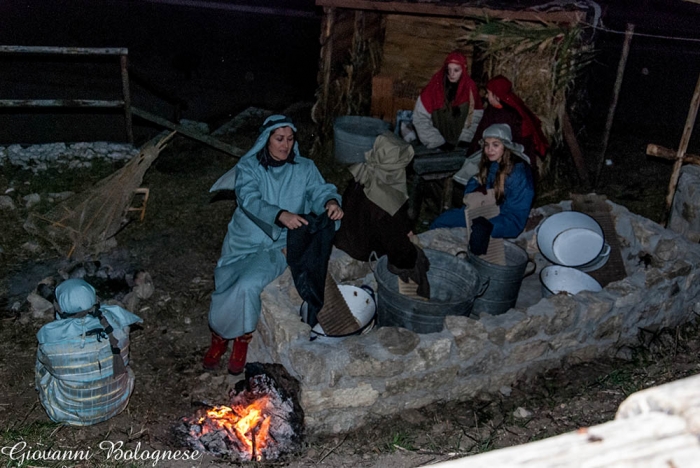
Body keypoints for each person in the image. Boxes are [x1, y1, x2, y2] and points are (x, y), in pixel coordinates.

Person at [205, 114, 343, 374]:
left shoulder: (304, 167)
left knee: (248, 284)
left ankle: (242, 339)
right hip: (243, 241)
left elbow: (319, 191)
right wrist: (280, 214)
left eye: (290, 139)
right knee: (226, 280)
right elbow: (249, 198)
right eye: (279, 139)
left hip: (279, 244)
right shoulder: (249, 168)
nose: (285, 145)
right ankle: (219, 336)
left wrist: (330, 203)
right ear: (265, 140)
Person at [334, 131, 430, 298]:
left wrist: (404, 228)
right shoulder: (386, 202)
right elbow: (399, 254)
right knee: (416, 260)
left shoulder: (365, 172)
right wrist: (413, 251)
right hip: (362, 249)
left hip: (346, 236)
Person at [36, 279, 142, 425]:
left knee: (43, 362)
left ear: (59, 307)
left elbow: (44, 364)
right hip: (117, 404)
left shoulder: (51, 341)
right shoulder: (120, 324)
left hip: (67, 413)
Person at [430, 124, 534, 255]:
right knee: (442, 220)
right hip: (486, 208)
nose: (489, 149)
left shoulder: (518, 175)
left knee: (478, 238)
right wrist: (475, 184)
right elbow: (473, 193)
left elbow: (515, 218)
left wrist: (487, 227)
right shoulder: (492, 163)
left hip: (504, 217)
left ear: (506, 147)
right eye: (486, 144)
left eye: (495, 145)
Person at [468, 75, 549, 170]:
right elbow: (480, 132)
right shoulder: (491, 110)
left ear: (497, 95)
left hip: (509, 159)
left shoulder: (510, 115)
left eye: (489, 93)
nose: (486, 96)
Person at [412, 51, 484, 151]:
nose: (452, 74)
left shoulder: (470, 89)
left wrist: (465, 140)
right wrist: (437, 142)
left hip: (462, 143)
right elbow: (420, 119)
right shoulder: (433, 88)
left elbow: (474, 117)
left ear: (463, 70)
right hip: (437, 144)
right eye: (449, 70)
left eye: (456, 70)